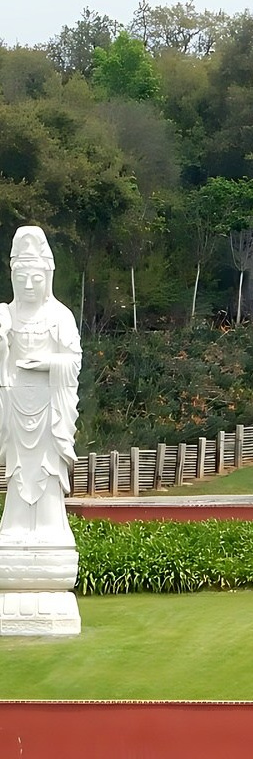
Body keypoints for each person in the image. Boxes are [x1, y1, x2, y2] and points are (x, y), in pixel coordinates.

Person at [0, 226, 81, 546]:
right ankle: (16, 524)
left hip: (50, 408)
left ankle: (49, 525)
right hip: (17, 407)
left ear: (47, 277)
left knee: (47, 469)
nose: (29, 285)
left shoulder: (60, 316)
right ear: (12, 279)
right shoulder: (6, 315)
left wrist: (49, 364)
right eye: (22, 279)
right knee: (18, 469)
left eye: (36, 278)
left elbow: (73, 361)